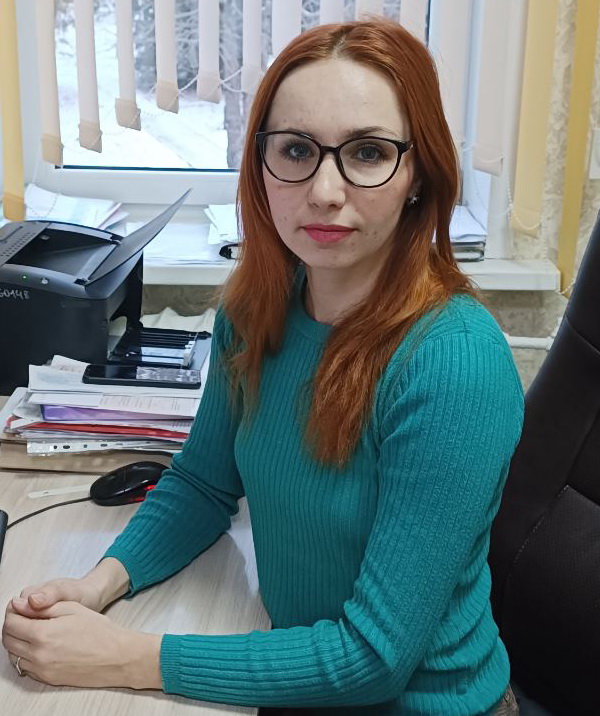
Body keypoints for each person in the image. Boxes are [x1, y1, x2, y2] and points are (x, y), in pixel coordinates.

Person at [2, 18, 523, 716]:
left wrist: (127, 657)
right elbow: (202, 483)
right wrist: (98, 585)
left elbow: (373, 659)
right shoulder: (255, 311)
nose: (326, 190)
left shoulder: (454, 363)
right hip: (295, 672)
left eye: (368, 152)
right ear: (261, 165)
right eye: (297, 150)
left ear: (417, 175)